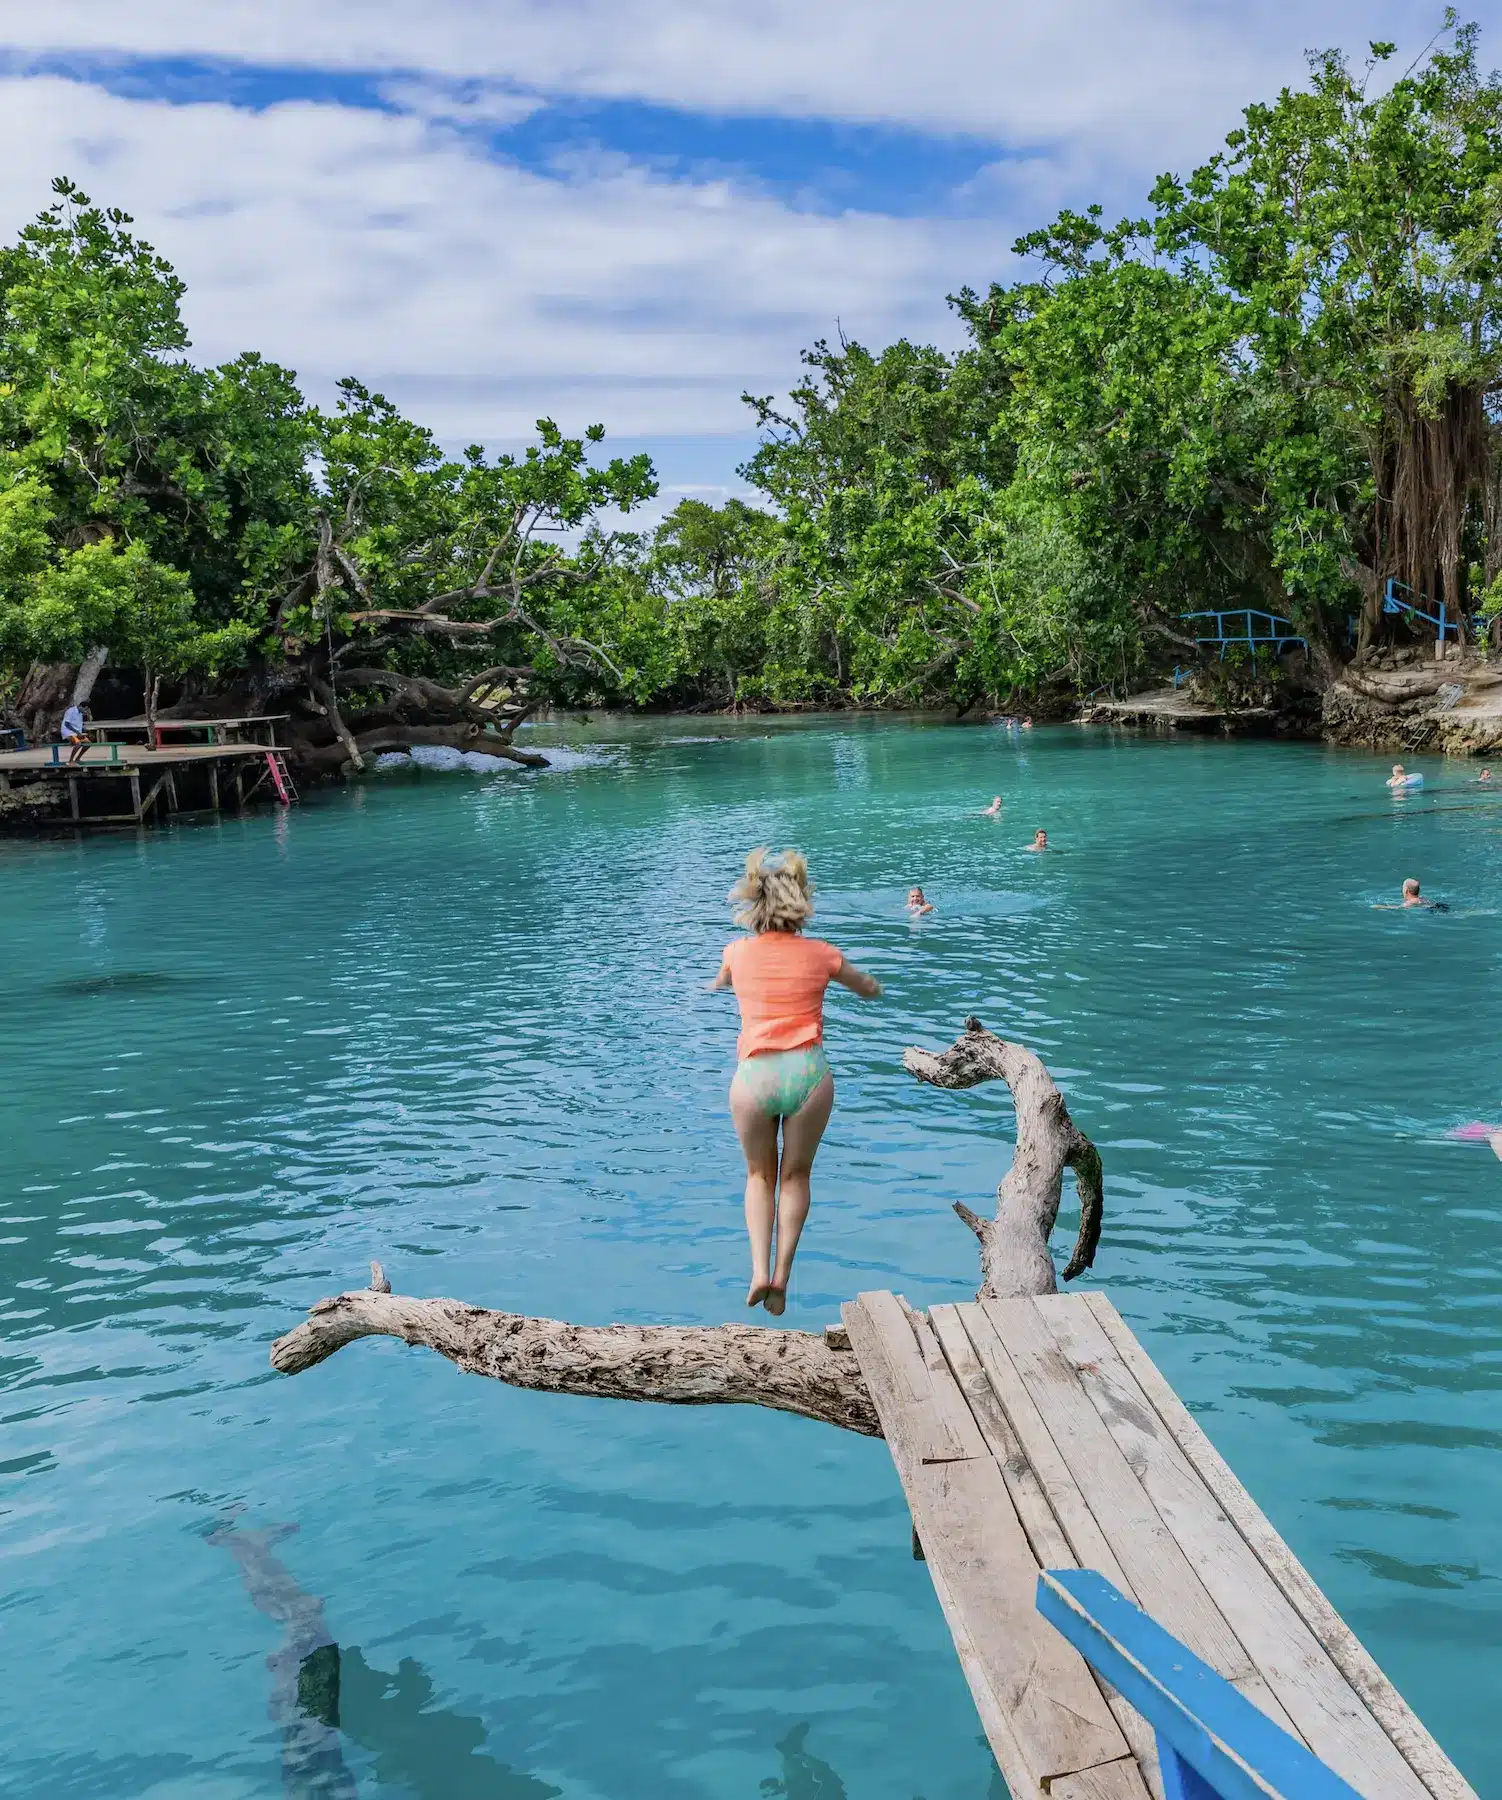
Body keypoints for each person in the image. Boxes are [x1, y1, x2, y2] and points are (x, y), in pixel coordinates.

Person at [711, 850, 881, 1315]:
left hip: (755, 1075)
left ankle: (758, 1271)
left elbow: (721, 983)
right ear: (801, 904)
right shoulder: (823, 954)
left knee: (758, 1175)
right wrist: (873, 985)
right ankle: (783, 1276)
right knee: (796, 1175)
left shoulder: (736, 952)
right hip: (808, 1074)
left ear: (755, 906)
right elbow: (864, 986)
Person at [60, 701, 89, 765]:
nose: (85, 711)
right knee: (78, 743)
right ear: (80, 706)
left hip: (76, 733)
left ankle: (77, 759)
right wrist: (77, 732)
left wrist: (83, 731)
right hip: (68, 732)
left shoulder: (80, 713)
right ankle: (70, 761)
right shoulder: (71, 711)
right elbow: (67, 724)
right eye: (85, 709)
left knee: (88, 743)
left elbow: (77, 725)